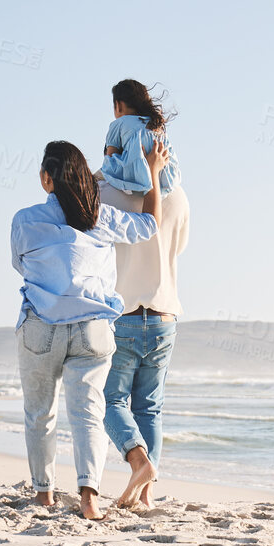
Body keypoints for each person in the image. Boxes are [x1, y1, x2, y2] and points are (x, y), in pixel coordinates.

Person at [10, 137, 166, 519]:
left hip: (41, 327)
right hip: (93, 329)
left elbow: (19, 265)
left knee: (40, 413)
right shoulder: (102, 216)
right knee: (88, 414)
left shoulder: (25, 220)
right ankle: (89, 498)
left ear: (47, 179)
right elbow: (149, 226)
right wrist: (154, 173)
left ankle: (44, 495)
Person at [97, 79, 190, 508]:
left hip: (122, 312)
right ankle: (146, 496)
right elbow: (179, 247)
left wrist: (105, 163)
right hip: (166, 312)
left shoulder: (104, 190)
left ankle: (138, 462)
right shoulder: (179, 195)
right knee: (149, 408)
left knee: (111, 399)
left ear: (119, 112)